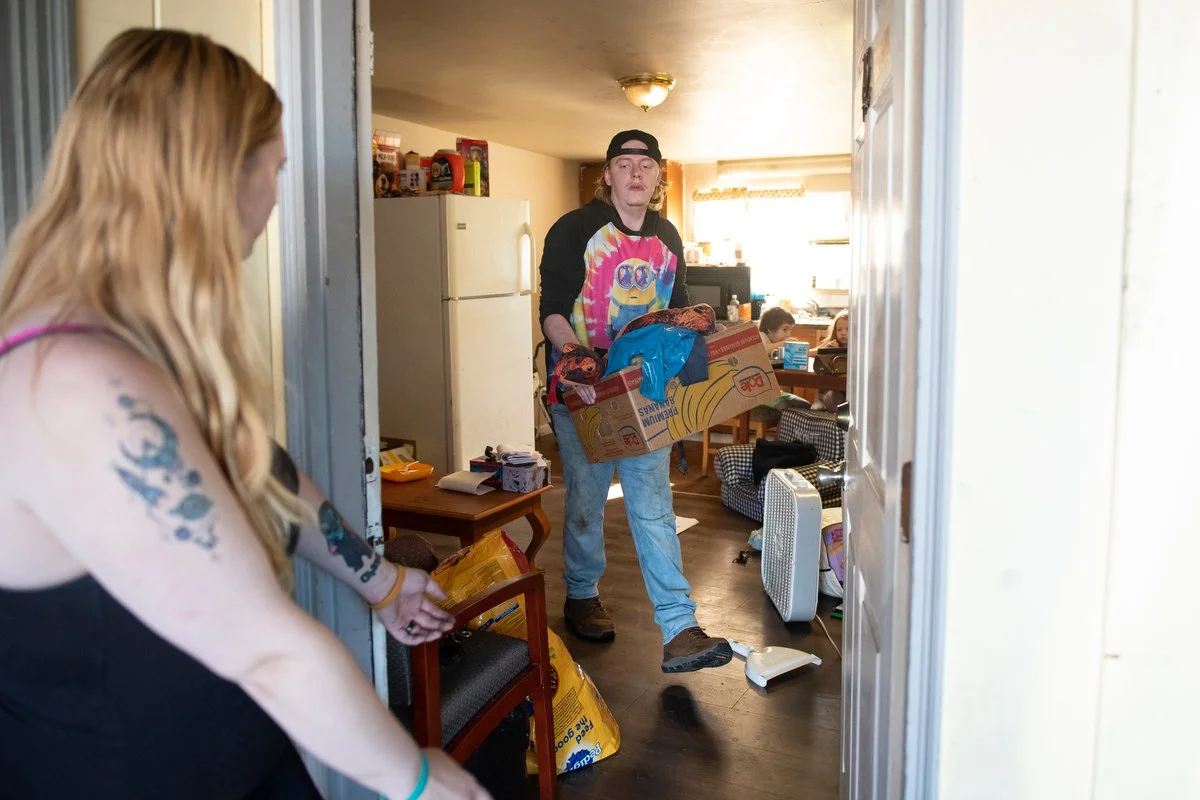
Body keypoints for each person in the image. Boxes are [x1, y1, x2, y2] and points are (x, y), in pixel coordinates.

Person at [0, 29, 488, 800]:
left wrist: (382, 581)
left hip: (234, 761)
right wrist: (425, 783)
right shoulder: (79, 386)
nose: (272, 200)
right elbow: (270, 651)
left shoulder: (125, 345)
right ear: (218, 174)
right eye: (276, 168)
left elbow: (254, 467)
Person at [538, 129, 732, 673]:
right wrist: (572, 352)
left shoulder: (667, 235)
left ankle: (679, 627)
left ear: (658, 176)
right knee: (586, 501)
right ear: (608, 175)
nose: (636, 173)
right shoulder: (575, 229)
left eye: (646, 165)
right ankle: (581, 595)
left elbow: (679, 305)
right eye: (624, 164)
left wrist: (696, 324)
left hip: (642, 386)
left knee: (652, 502)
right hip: (586, 388)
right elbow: (552, 305)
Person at [811, 311, 850, 411]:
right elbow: (815, 352)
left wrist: (838, 352)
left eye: (848, 329)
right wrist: (829, 350)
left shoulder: (858, 350)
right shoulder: (832, 344)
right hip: (832, 391)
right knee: (831, 395)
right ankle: (819, 400)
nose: (843, 333)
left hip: (848, 391)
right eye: (839, 330)